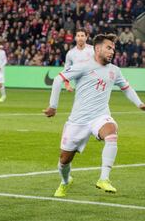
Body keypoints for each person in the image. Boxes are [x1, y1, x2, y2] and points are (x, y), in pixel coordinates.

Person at [43, 34, 145, 197]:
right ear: (97, 49)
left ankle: (104, 178)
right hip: (78, 121)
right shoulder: (83, 66)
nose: (112, 52)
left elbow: (126, 88)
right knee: (64, 160)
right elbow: (57, 80)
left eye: (113, 49)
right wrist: (53, 106)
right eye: (108, 48)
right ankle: (65, 181)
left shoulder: (115, 70)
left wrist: (139, 103)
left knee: (111, 132)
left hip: (100, 116)